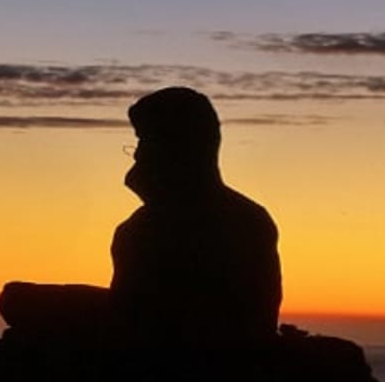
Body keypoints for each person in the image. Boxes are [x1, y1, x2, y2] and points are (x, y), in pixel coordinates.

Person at [110, 86, 282, 349]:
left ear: (175, 147)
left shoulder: (146, 232)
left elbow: (140, 322)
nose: (136, 154)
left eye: (144, 141)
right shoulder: (251, 218)